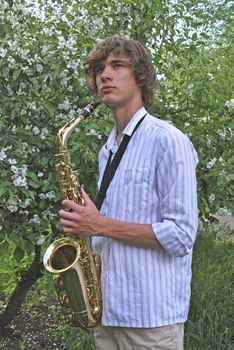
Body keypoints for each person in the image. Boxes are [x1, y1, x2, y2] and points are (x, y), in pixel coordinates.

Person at [59, 35, 198, 350]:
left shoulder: (168, 141)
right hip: (109, 313)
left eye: (117, 65)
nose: (105, 75)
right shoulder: (107, 150)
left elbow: (180, 235)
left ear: (141, 76)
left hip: (151, 320)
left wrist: (99, 225)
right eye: (100, 69)